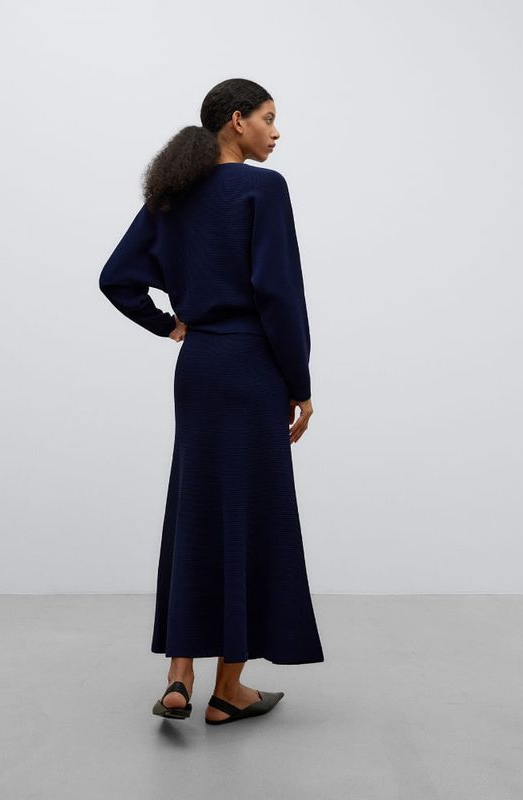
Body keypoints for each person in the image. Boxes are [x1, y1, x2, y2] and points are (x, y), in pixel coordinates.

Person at [99, 78, 323, 726]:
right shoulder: (263, 189)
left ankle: (179, 676)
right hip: (252, 366)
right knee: (249, 515)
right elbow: (279, 294)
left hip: (198, 368)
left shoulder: (173, 194)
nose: (276, 131)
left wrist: (171, 325)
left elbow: (117, 278)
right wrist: (300, 384)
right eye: (268, 118)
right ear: (236, 121)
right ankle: (229, 690)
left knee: (194, 508)